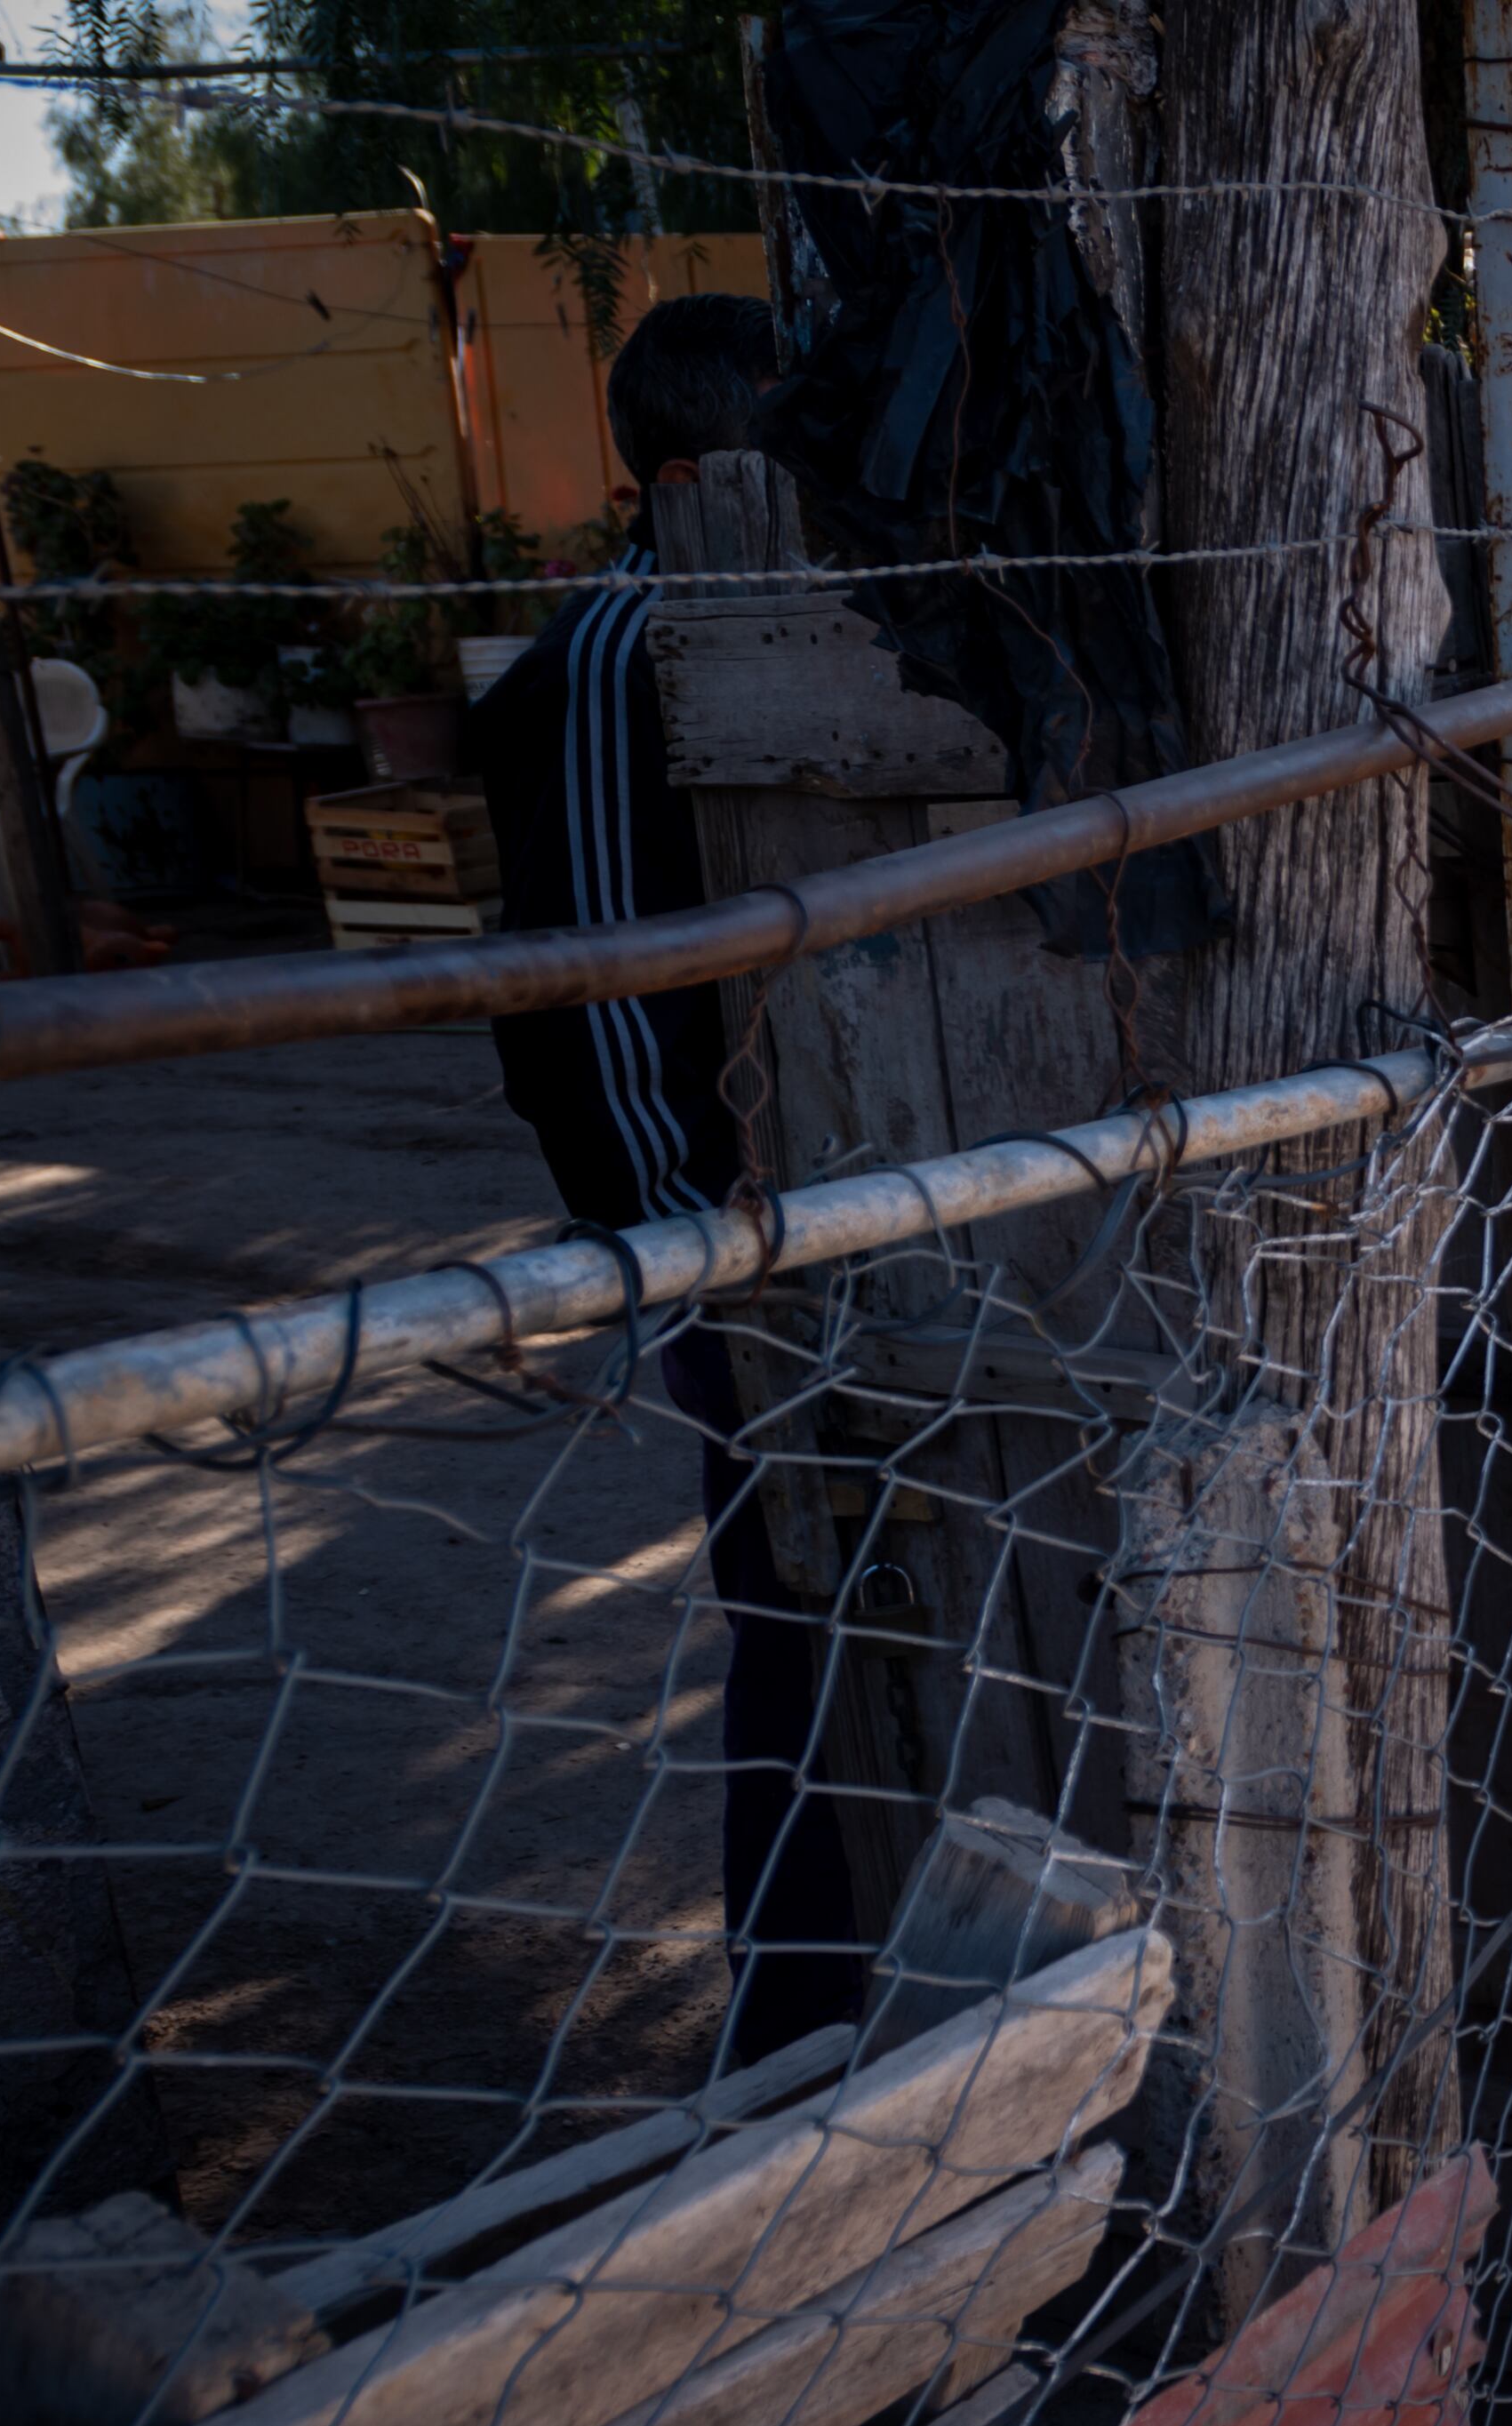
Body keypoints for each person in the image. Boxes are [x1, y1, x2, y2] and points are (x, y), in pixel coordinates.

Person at [474, 291, 864, 2059]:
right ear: (700, 476)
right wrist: (697, 1252)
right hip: (737, 1248)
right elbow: (603, 993)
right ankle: (797, 2030)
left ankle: (874, 1994)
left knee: (883, 1610)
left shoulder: (784, 639)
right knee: (793, 1618)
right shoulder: (610, 660)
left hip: (843, 1224)